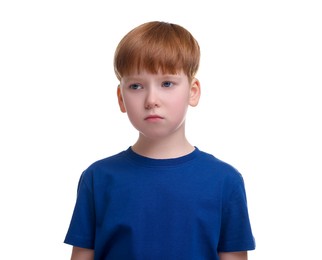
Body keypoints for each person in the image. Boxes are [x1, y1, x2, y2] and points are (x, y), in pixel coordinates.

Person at [64, 21, 255, 260]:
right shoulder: (98, 178)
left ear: (193, 91)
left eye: (167, 83)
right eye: (136, 86)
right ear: (121, 98)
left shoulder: (225, 181)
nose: (151, 99)